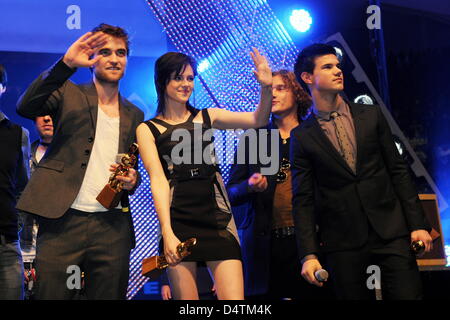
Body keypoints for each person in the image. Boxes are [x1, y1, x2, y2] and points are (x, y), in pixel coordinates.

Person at [291, 43, 432, 300]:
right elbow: (303, 200)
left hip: (391, 231)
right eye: (328, 66)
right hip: (343, 240)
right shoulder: (301, 136)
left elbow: (398, 171)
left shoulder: (371, 115)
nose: (337, 71)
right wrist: (309, 254)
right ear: (308, 77)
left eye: (337, 65)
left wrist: (418, 225)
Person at [16, 23, 144, 300]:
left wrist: (133, 180)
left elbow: (135, 167)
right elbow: (25, 106)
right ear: (92, 59)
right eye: (105, 52)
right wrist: (65, 64)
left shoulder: (135, 113)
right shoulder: (69, 92)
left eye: (120, 52)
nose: (113, 58)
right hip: (63, 221)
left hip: (113, 227)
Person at [136, 49, 272, 300]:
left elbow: (258, 119)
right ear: (162, 80)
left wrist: (266, 87)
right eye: (178, 78)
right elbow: (157, 180)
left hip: (217, 218)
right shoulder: (147, 129)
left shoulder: (207, 116)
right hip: (177, 221)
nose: (186, 84)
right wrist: (167, 232)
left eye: (190, 78)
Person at [227, 70, 325, 299]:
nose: (273, 95)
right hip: (266, 246)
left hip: (310, 240)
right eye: (269, 90)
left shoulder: (313, 135)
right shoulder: (255, 137)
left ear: (298, 93)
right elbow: (230, 191)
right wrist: (249, 186)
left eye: (281, 88)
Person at [0, 63, 30, 300]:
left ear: (2, 88)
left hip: (7, 243)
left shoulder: (18, 134)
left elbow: (23, 187)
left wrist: (16, 221)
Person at [19, 115, 54, 299]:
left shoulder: (77, 158)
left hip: (62, 249)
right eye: (42, 114)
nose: (47, 118)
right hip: (24, 251)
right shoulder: (22, 154)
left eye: (52, 113)